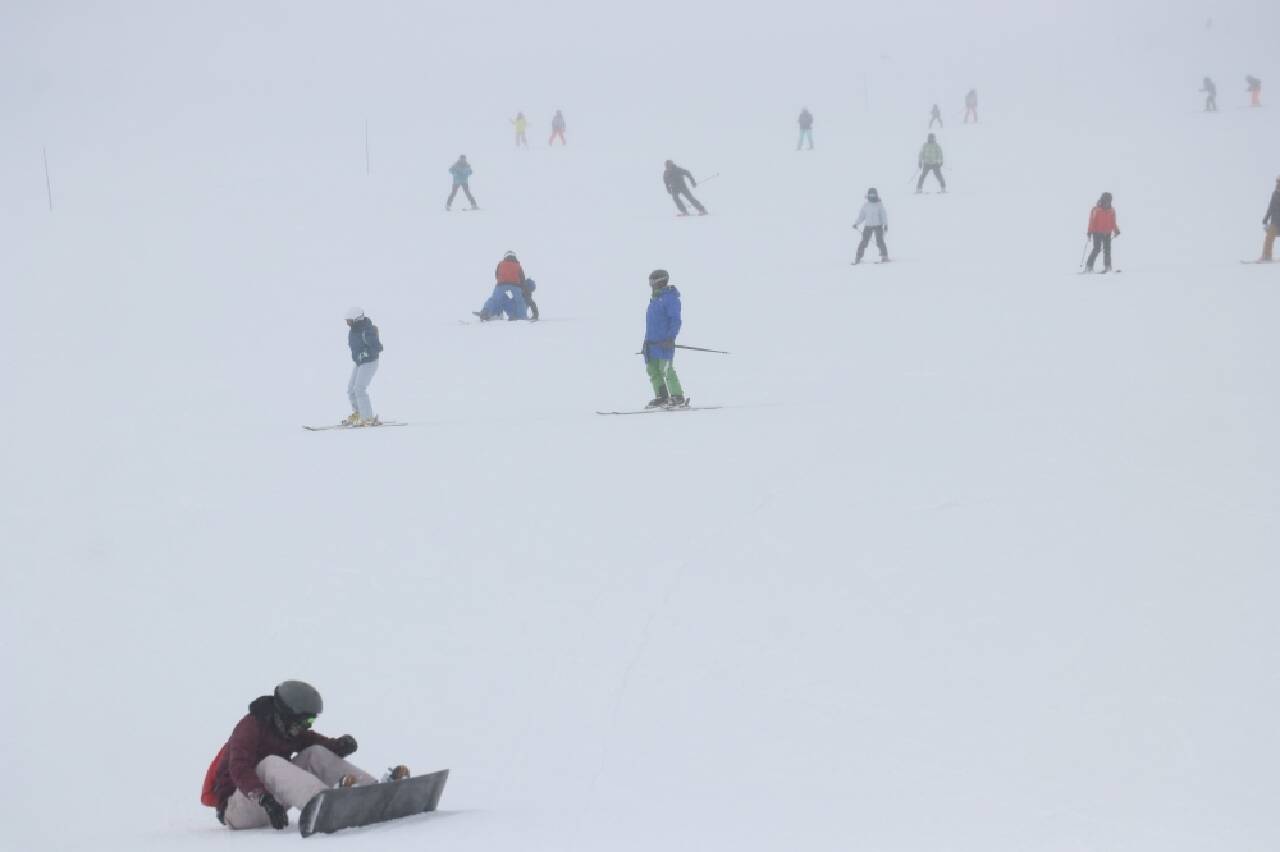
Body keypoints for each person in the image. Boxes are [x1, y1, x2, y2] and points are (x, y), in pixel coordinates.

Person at [203, 680, 409, 831]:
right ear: (286, 715)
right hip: (239, 808)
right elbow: (239, 769)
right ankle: (322, 802)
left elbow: (316, 744)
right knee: (271, 763)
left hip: (272, 805)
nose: (306, 726)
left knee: (314, 753)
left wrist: (340, 746)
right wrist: (264, 798)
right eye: (305, 721)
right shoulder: (250, 727)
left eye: (310, 722)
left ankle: (373, 790)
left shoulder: (287, 729)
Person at [642, 269, 687, 408]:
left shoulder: (670, 299)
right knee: (653, 370)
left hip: (664, 343)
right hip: (651, 343)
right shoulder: (655, 300)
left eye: (652, 281)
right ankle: (661, 397)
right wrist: (646, 341)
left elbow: (675, 320)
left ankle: (678, 397)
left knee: (666, 369)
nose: (650, 284)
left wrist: (670, 338)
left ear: (659, 281)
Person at [343, 308, 382, 425]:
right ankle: (358, 414)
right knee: (351, 389)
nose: (347, 323)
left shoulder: (367, 331)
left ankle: (368, 417)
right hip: (359, 363)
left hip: (370, 362)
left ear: (356, 319)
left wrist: (365, 354)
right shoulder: (353, 331)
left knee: (359, 389)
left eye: (349, 320)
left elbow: (378, 348)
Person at [475, 251, 531, 321]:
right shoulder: (517, 265)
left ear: (505, 256)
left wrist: (501, 282)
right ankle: (522, 317)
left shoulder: (500, 264)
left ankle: (485, 311)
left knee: (494, 299)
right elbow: (522, 277)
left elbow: (497, 274)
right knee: (519, 301)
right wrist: (522, 287)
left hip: (501, 285)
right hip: (515, 285)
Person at [1084, 192, 1121, 273]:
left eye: (1109, 201)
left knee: (1107, 250)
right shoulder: (1096, 209)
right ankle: (1089, 266)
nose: (1107, 203)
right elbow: (1091, 222)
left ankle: (1108, 267)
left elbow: (1113, 222)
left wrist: (1116, 230)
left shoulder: (1112, 210)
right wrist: (1089, 232)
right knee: (1096, 249)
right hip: (1097, 232)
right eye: (1106, 201)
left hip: (1107, 233)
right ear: (1103, 200)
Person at [852, 187, 889, 264]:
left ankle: (884, 255)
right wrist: (856, 223)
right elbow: (861, 217)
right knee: (864, 242)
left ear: (876, 195)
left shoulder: (879, 205)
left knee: (880, 241)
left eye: (873, 195)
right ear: (868, 195)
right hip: (868, 226)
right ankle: (858, 256)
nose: (872, 196)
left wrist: (885, 225)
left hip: (878, 226)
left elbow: (883, 216)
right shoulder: (866, 205)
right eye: (870, 195)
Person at [1258, 176, 1280, 262]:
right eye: (1277, 182)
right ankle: (1267, 256)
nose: (1278, 184)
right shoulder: (1275, 194)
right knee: (1269, 238)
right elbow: (1270, 208)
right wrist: (1266, 218)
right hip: (1275, 222)